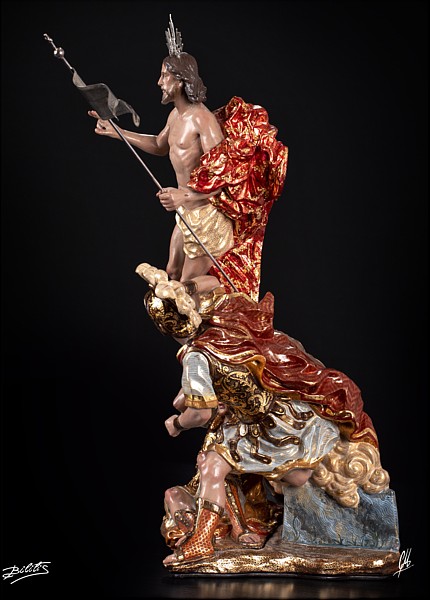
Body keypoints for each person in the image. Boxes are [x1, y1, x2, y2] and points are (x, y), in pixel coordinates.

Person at [136, 264, 391, 567]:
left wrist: (177, 424)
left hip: (255, 425)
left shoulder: (195, 357)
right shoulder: (225, 324)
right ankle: (246, 522)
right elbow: (214, 283)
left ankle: (201, 543)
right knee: (279, 471)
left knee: (212, 466)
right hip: (283, 413)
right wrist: (187, 287)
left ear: (164, 328)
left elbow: (200, 414)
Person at [89, 16, 289, 302]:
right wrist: (117, 132)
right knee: (171, 270)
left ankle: (208, 300)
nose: (159, 82)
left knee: (183, 289)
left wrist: (183, 195)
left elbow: (225, 176)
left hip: (206, 215)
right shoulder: (175, 116)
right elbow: (159, 145)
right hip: (186, 211)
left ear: (181, 80)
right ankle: (193, 301)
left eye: (165, 76)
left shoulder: (202, 120)